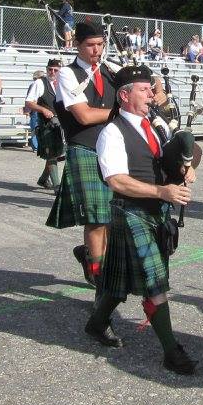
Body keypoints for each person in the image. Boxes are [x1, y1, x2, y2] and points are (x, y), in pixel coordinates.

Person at [85, 65, 196, 373]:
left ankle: (96, 322)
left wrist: (186, 168)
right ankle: (171, 350)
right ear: (124, 95)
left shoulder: (156, 125)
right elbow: (117, 181)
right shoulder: (112, 132)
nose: (152, 93)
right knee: (154, 282)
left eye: (152, 88)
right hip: (131, 212)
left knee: (119, 282)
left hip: (156, 213)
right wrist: (161, 191)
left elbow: (171, 159)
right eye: (144, 89)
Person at [47, 21, 116, 285]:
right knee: (97, 219)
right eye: (90, 45)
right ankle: (98, 272)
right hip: (85, 149)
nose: (96, 50)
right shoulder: (68, 74)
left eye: (100, 44)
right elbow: (84, 115)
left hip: (111, 151)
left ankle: (94, 259)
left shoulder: (110, 71)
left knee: (110, 217)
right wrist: (120, 113)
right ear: (77, 45)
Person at [24, 59, 65, 190]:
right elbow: (29, 102)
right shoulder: (39, 83)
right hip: (46, 125)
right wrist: (43, 109)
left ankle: (43, 179)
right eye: (50, 69)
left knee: (57, 153)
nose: (52, 72)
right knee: (52, 154)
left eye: (55, 70)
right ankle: (57, 185)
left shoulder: (64, 83)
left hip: (61, 123)